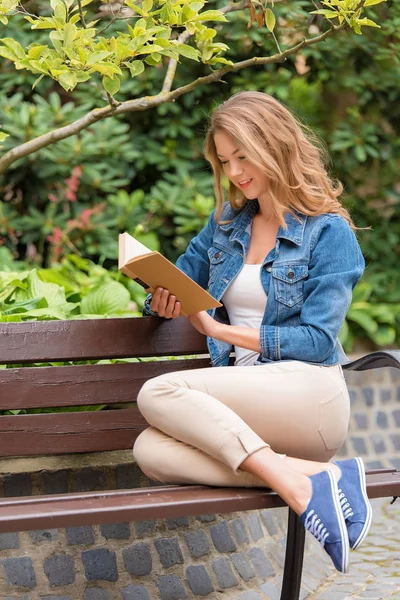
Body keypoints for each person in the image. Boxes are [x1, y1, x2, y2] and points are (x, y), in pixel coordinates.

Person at [133, 91, 372, 574]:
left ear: (275, 145)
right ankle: (314, 480)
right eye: (225, 160)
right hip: (245, 410)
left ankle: (310, 476)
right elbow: (178, 278)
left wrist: (221, 330)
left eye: (243, 155)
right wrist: (161, 299)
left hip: (308, 395)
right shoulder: (224, 226)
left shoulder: (329, 233)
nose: (236, 171)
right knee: (149, 451)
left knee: (158, 391)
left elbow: (318, 341)